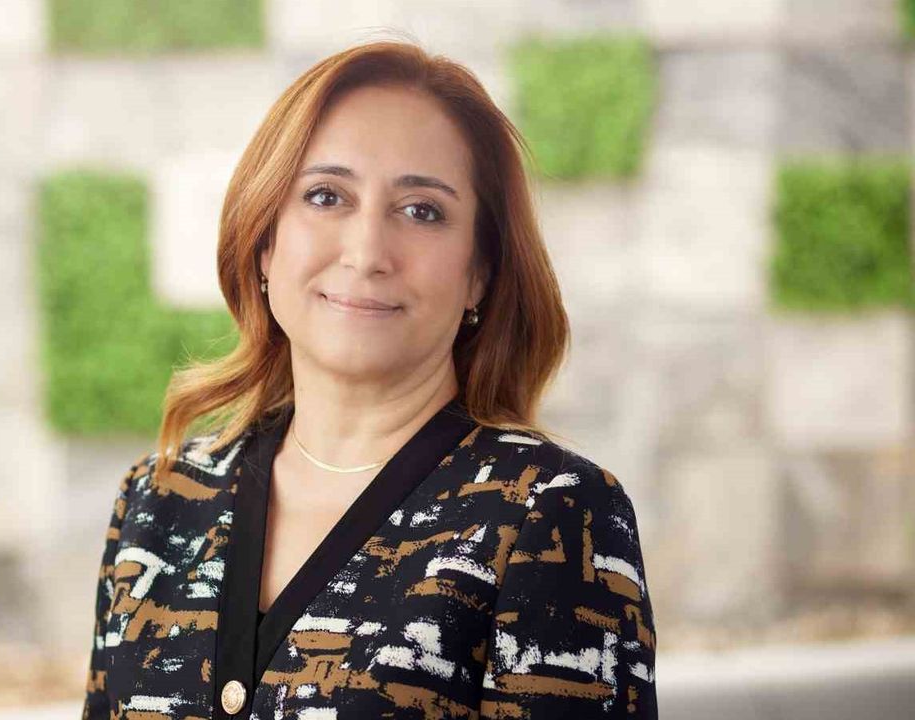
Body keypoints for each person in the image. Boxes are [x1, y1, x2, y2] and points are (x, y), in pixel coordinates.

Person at [82, 39, 657, 719]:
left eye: (422, 210)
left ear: (479, 272)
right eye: (326, 196)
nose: (366, 253)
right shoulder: (159, 499)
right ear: (264, 242)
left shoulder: (550, 512)